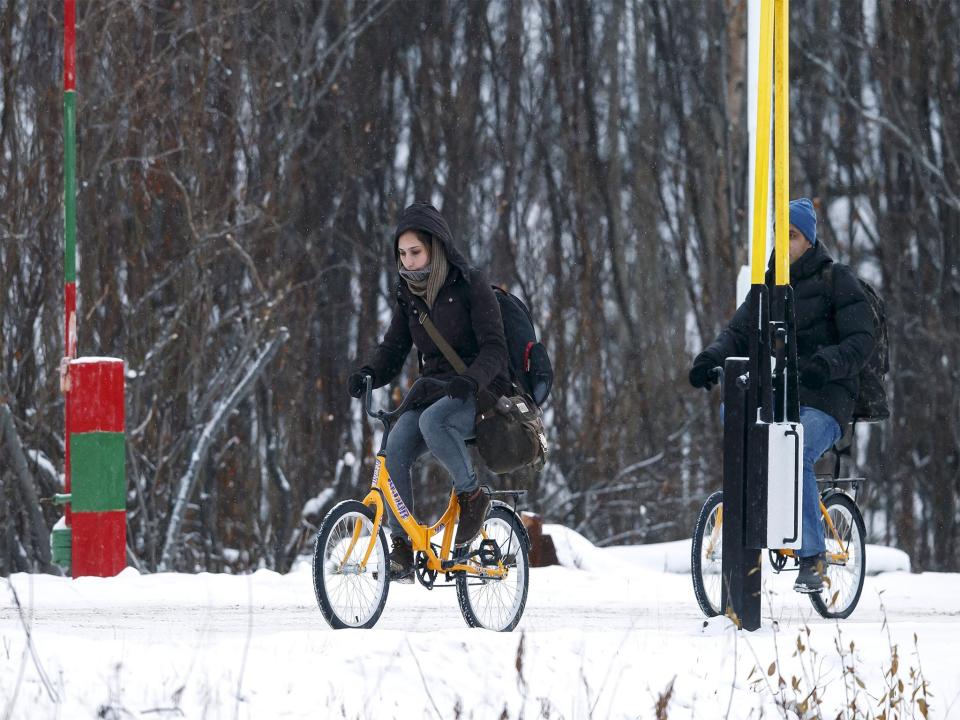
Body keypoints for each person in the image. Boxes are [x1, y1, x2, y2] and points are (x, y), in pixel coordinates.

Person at [688, 198, 875, 593]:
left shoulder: (835, 280)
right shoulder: (769, 283)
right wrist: (709, 359)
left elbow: (862, 341)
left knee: (795, 445)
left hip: (827, 399)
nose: (783, 242)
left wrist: (826, 363)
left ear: (809, 240)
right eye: (779, 234)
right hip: (784, 395)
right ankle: (756, 518)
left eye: (792, 235)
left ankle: (813, 556)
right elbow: (737, 332)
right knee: (738, 421)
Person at [347, 202, 510, 582]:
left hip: (481, 391)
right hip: (435, 390)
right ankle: (403, 545)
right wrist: (369, 373)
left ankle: (472, 496)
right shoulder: (409, 295)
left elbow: (495, 349)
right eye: (402, 254)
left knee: (436, 422)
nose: (408, 262)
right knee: (397, 443)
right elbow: (394, 349)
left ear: (436, 247)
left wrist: (470, 379)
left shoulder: (470, 284)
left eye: (415, 252)